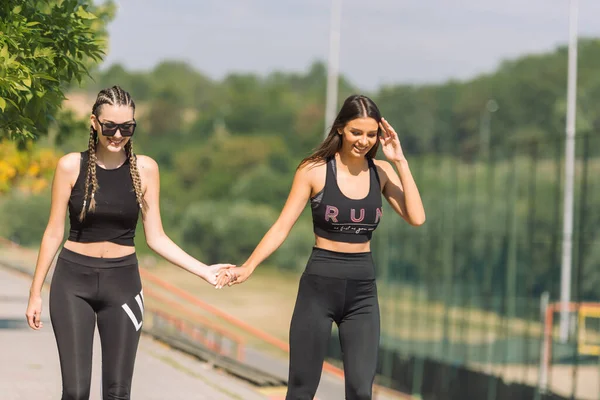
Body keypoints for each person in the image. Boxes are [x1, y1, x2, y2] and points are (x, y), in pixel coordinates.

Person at [25, 85, 233, 400]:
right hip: (72, 283)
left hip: (122, 284)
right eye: (110, 126)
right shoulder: (71, 166)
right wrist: (35, 292)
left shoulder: (145, 170)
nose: (118, 134)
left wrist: (203, 271)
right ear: (94, 122)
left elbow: (157, 237)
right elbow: (53, 231)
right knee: (76, 391)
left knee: (118, 392)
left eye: (127, 127)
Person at [219, 94, 426, 399]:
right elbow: (281, 227)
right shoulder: (314, 170)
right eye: (357, 132)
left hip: (362, 293)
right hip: (319, 287)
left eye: (371, 135)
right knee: (302, 390)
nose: (364, 141)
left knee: (360, 390)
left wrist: (400, 160)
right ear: (341, 128)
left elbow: (417, 218)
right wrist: (249, 266)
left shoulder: (381, 173)